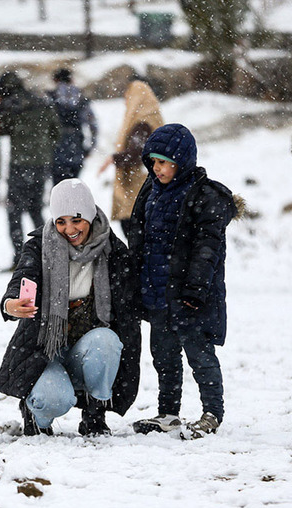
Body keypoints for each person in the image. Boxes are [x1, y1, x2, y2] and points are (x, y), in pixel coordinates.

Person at [0, 179, 141, 436]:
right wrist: (10, 304)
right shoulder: (40, 246)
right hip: (46, 348)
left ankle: (95, 413)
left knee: (106, 342)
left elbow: (131, 302)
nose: (69, 229)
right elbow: (22, 278)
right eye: (60, 221)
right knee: (53, 399)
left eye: (76, 219)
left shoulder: (113, 251)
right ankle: (37, 415)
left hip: (87, 346)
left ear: (89, 215)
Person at [127, 124, 239, 439]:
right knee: (163, 356)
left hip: (191, 296)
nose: (157, 168)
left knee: (200, 356)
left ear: (183, 160)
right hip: (157, 293)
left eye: (165, 162)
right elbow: (139, 238)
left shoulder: (204, 196)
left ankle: (211, 413)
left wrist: (195, 290)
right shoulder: (150, 191)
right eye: (153, 162)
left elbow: (207, 249)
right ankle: (168, 412)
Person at [0, 71, 60, 270]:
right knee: (35, 209)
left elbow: (2, 130)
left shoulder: (12, 106)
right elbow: (55, 131)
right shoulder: (42, 102)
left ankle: (19, 257)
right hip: (41, 163)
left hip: (20, 164)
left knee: (14, 212)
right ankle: (45, 253)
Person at [99, 80, 164, 238]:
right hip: (148, 185)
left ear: (137, 98)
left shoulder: (143, 123)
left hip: (138, 186)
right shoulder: (151, 117)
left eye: (128, 97)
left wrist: (113, 158)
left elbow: (137, 153)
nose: (125, 102)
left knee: (134, 231)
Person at [47, 68, 98, 186]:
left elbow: (44, 123)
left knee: (58, 188)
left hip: (56, 147)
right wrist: (90, 147)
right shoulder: (81, 98)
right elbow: (94, 126)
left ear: (55, 80)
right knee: (73, 186)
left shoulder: (50, 98)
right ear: (72, 79)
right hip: (76, 147)